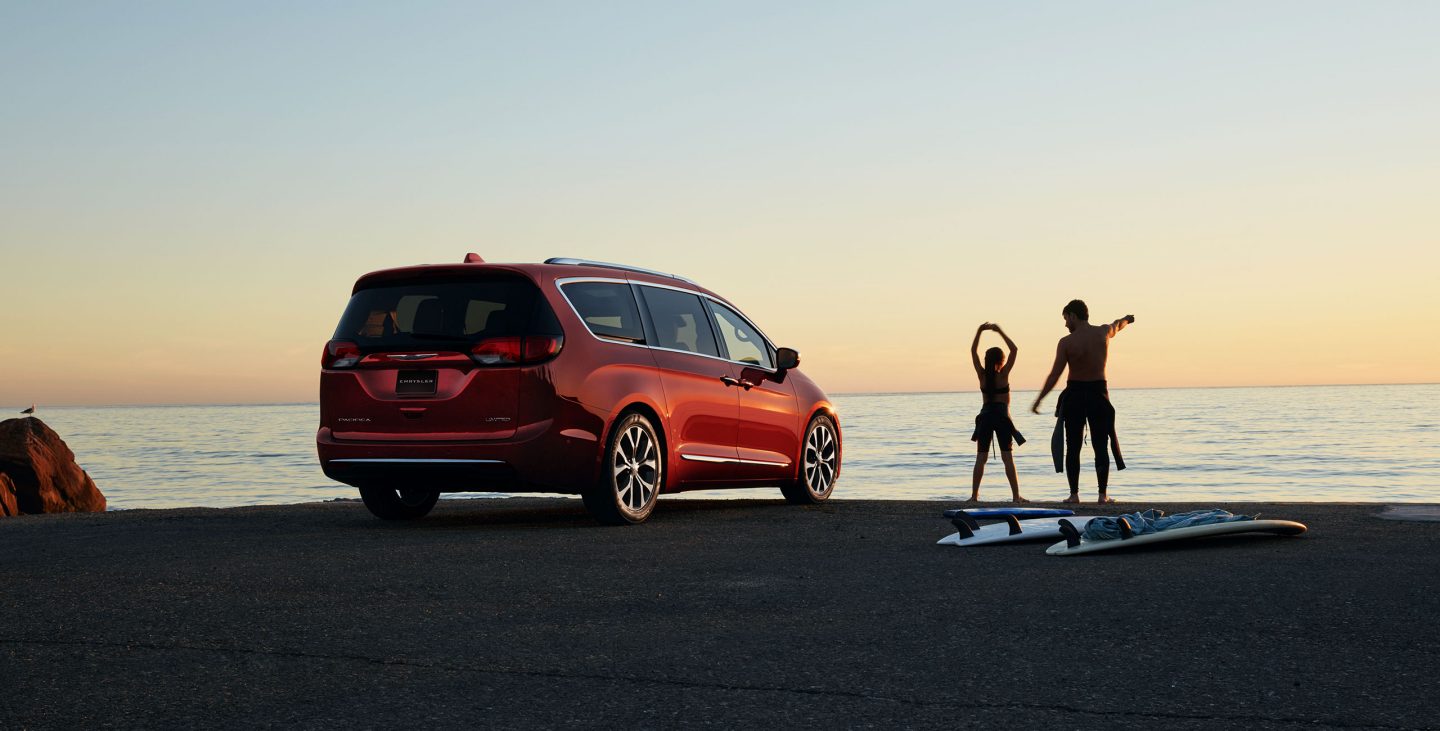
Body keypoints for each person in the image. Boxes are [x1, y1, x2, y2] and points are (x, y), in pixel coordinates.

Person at [1031, 300, 1134, 504]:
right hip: (1098, 394)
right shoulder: (1103, 333)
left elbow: (1054, 375)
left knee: (1073, 446)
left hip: (1075, 394)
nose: (1065, 324)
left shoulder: (1066, 342)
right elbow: (1117, 325)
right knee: (1100, 445)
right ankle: (1102, 495)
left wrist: (1039, 399)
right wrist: (1127, 320)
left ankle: (1074, 495)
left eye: (1065, 319)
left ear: (1073, 316)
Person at [969, 323, 1026, 502]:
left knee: (981, 458)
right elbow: (1014, 349)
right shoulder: (1003, 375)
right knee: (1007, 458)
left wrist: (979, 331)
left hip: (985, 418)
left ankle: (974, 496)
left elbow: (973, 351)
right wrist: (1000, 331)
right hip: (1002, 418)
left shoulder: (982, 375)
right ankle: (1016, 497)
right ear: (1001, 362)